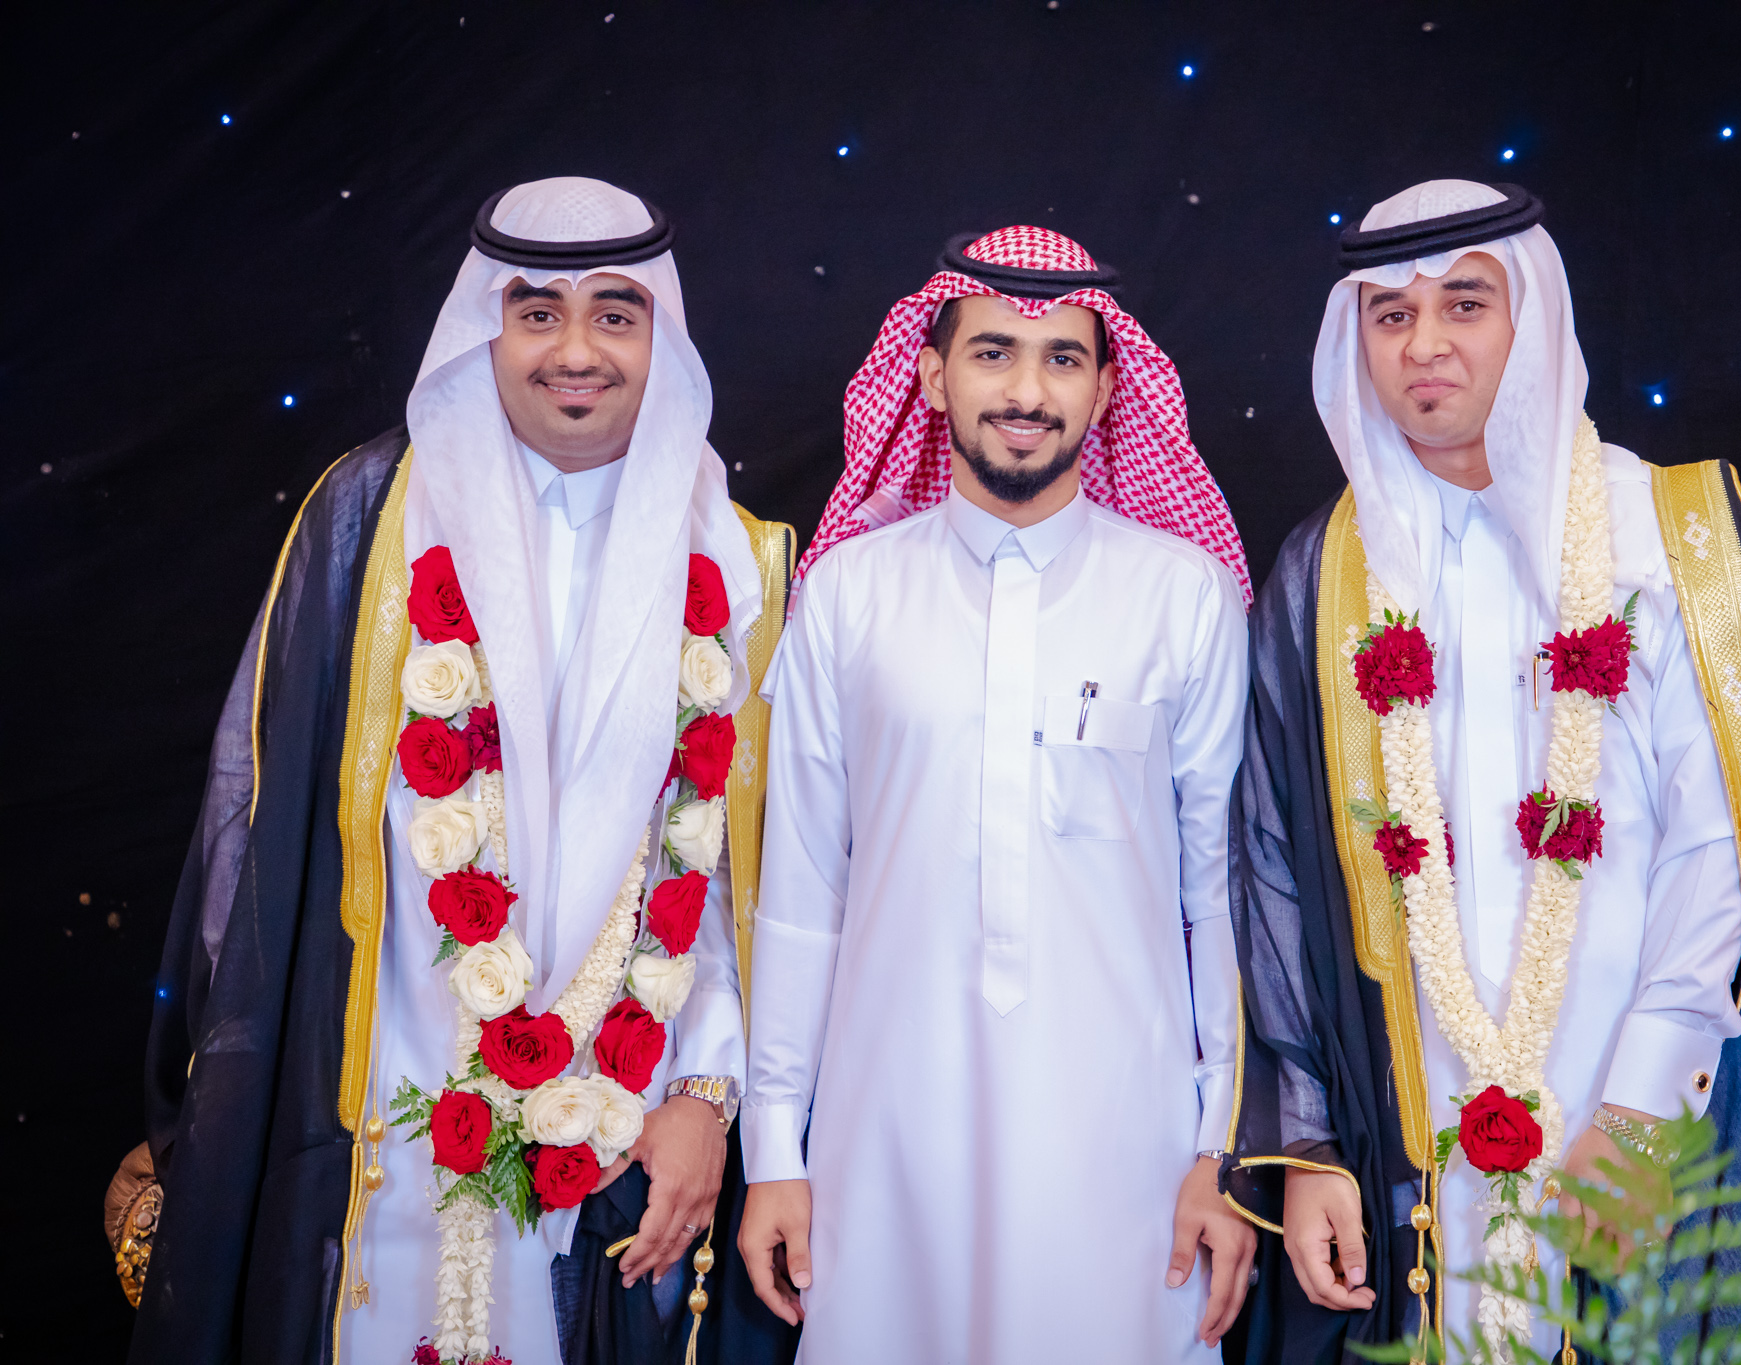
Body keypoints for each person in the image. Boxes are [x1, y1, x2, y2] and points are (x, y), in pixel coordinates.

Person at [131, 177, 799, 1365]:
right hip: (387, 1099)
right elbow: (262, 834)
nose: (575, 352)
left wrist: (704, 1093)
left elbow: (744, 878)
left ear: (662, 338)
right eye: (536, 313)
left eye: (615, 315)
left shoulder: (738, 560)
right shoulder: (372, 524)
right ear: (483, 328)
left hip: (629, 1123)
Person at [1226, 181, 1741, 1360]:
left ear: (1528, 314)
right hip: (1402, 1128)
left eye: (1462, 303)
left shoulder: (1666, 535)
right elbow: (1271, 871)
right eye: (1388, 314)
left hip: (1638, 1098)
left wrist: (1639, 1115)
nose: (1423, 345)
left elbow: (1721, 848)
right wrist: (1312, 1146)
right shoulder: (1323, 575)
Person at [736, 226, 1258, 1363]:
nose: (1027, 391)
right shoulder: (848, 595)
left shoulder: (1185, 597)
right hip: (886, 1136)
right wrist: (773, 1147)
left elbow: (1219, 898)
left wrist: (1220, 1150)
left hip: (1127, 1144)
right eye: (992, 353)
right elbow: (801, 891)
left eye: (1063, 358)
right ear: (931, 377)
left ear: (1106, 387)